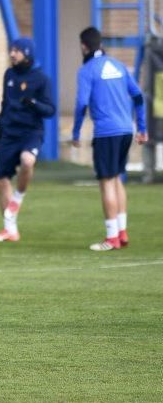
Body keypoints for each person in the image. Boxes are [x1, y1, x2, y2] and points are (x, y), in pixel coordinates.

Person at [72, 27, 147, 251]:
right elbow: (138, 95)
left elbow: (81, 104)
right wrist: (141, 127)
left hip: (106, 132)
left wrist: (75, 133)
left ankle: (111, 237)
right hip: (126, 129)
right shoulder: (117, 65)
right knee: (116, 179)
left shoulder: (87, 70)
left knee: (106, 182)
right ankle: (122, 233)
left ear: (84, 46)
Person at [0, 37, 56, 243]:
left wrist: (33, 102)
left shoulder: (41, 79)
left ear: (27, 53)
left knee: (27, 161)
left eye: (16, 50)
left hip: (31, 132)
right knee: (1, 180)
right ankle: (10, 230)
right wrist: (0, 129)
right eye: (11, 50)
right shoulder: (9, 75)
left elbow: (50, 110)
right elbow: (4, 103)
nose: (12, 54)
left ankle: (18, 198)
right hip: (9, 133)